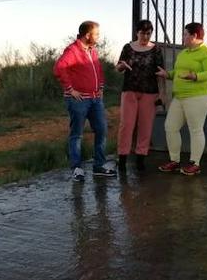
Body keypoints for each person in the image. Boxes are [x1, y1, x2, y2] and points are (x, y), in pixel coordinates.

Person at [53, 20, 116, 182]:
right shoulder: (73, 50)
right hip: (78, 100)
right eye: (97, 34)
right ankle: (77, 168)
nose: (99, 37)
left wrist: (100, 86)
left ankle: (99, 166)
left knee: (101, 129)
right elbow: (59, 68)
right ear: (87, 35)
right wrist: (70, 89)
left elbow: (98, 69)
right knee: (77, 135)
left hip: (95, 99)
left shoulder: (92, 50)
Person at [155, 22, 207, 175]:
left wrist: (195, 76)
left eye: (185, 34)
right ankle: (174, 161)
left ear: (194, 36)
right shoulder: (184, 53)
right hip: (179, 97)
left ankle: (195, 164)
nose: (183, 37)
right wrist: (167, 74)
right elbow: (178, 71)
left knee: (195, 130)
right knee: (170, 127)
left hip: (198, 97)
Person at [115, 19, 165, 172]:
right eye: (143, 33)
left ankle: (140, 159)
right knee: (126, 125)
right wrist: (122, 66)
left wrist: (162, 93)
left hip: (150, 92)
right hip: (130, 90)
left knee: (145, 126)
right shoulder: (128, 48)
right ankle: (122, 158)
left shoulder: (156, 49)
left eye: (148, 34)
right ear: (137, 32)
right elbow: (118, 67)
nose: (145, 37)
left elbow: (161, 72)